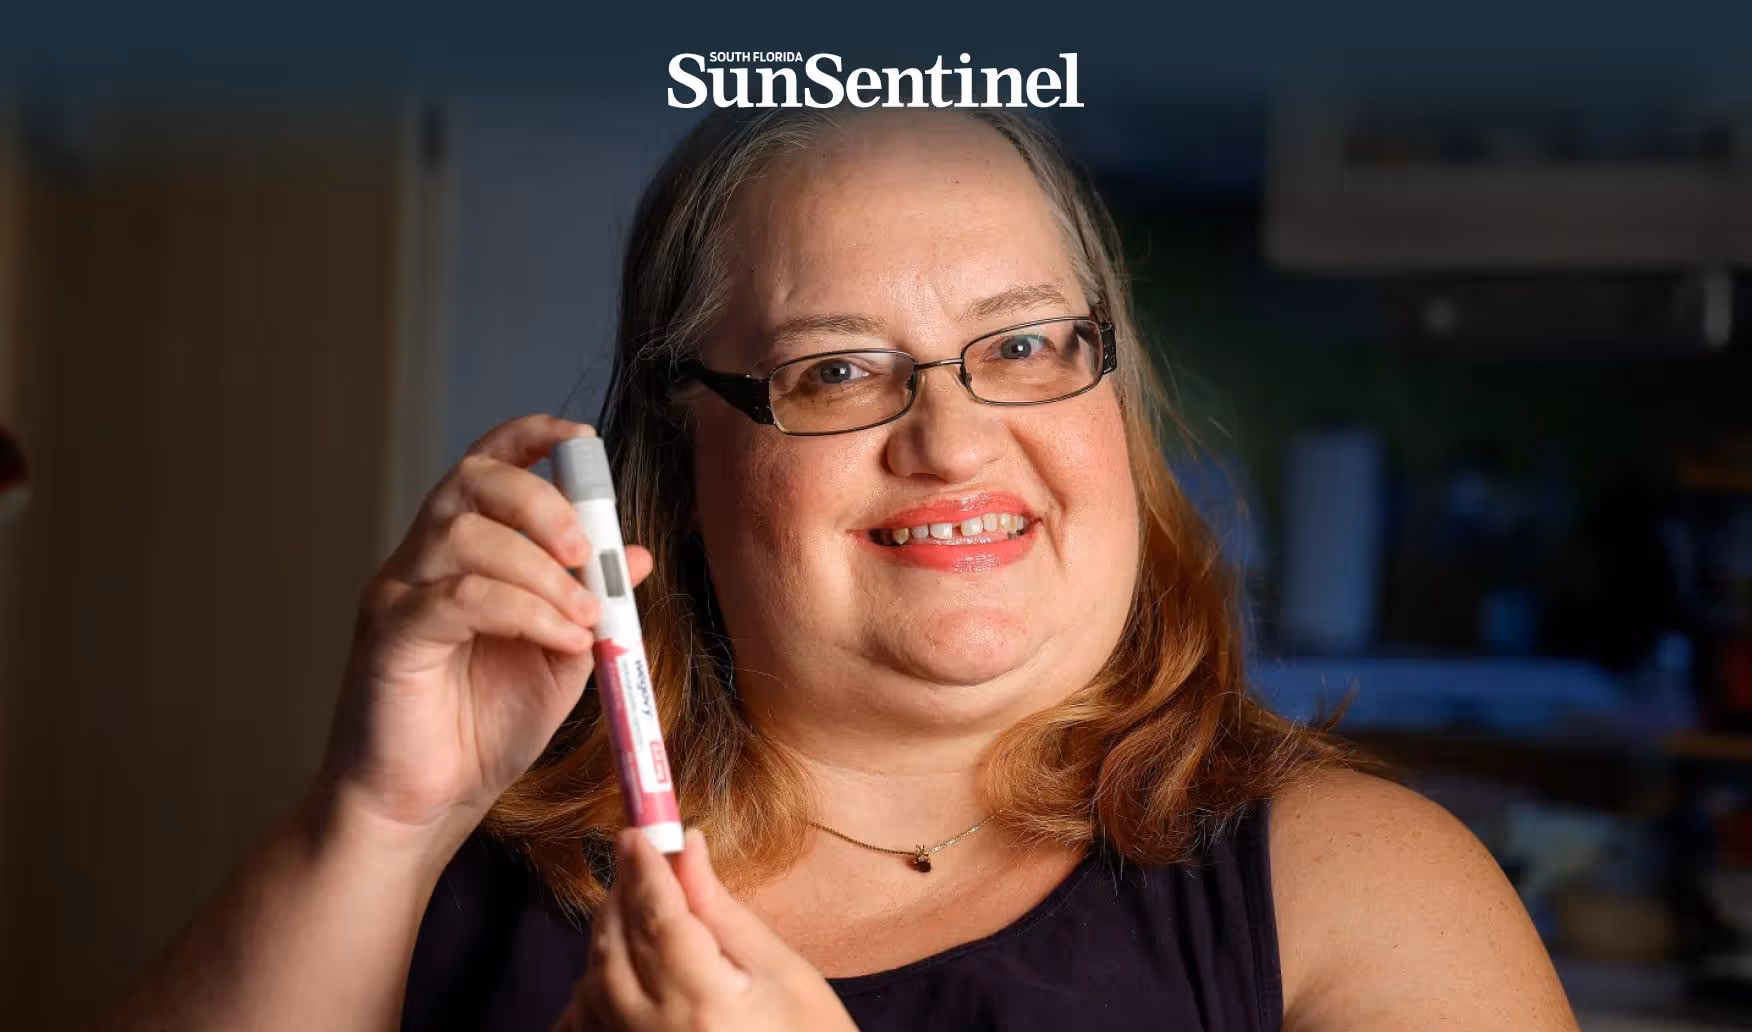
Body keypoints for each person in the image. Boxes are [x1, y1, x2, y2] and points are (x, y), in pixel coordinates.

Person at [97, 107, 1580, 1032]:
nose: (954, 439)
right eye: (838, 369)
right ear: (680, 465)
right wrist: (378, 821)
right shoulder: (462, 879)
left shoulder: (1355, 891)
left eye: (1023, 344)